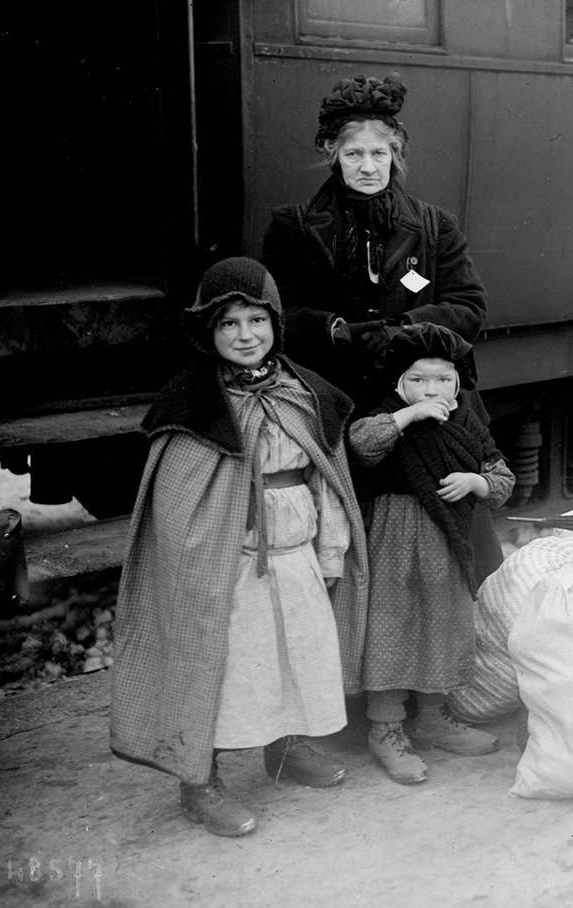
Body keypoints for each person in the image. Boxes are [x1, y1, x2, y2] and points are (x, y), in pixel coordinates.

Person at [111, 257, 368, 837]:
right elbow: (180, 507)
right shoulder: (193, 405)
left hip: (295, 556)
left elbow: (326, 482)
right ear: (209, 331)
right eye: (229, 323)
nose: (245, 335)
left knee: (295, 654)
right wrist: (199, 574)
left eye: (257, 320)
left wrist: (330, 553)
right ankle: (199, 780)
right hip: (228, 568)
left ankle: (287, 748)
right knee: (225, 669)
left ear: (276, 323)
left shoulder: (302, 393)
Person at [261, 72, 502, 585]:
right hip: (338, 399)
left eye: (379, 154)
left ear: (396, 153)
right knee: (347, 543)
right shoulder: (295, 227)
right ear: (332, 153)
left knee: (441, 540)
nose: (368, 167)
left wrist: (407, 329)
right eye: (354, 155)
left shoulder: (434, 227)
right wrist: (335, 331)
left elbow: (469, 306)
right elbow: (279, 312)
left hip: (419, 400)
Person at [347, 323, 515, 785]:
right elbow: (360, 445)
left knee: (442, 623)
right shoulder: (386, 416)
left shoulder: (466, 424)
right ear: (398, 382)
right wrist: (408, 416)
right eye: (418, 379)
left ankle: (433, 719)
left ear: (458, 384)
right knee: (391, 625)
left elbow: (501, 477)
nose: (431, 390)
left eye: (443, 380)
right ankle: (385, 730)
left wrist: (477, 483)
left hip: (446, 541)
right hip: (392, 540)